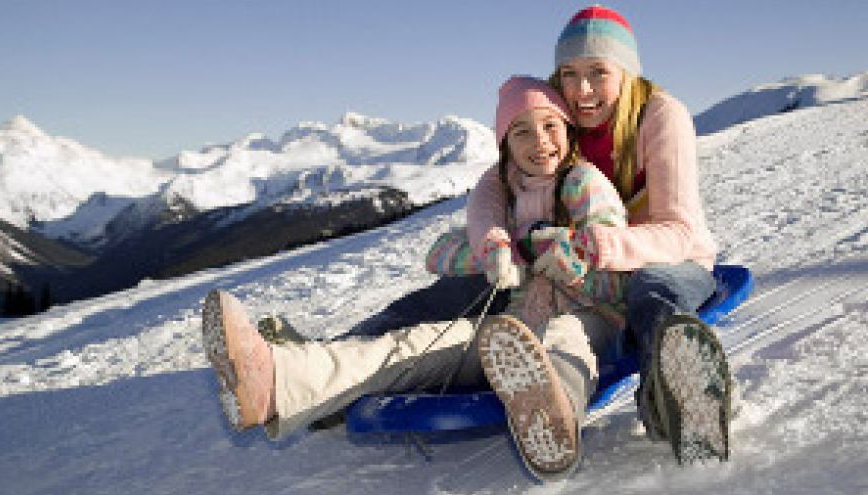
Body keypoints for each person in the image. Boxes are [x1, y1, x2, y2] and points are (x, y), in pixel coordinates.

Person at [201, 75, 629, 481]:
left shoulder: (584, 182)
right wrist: (502, 251)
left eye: (550, 125)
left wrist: (568, 261)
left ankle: (554, 425)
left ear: (569, 130)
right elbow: (438, 254)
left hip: (589, 316)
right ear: (505, 145)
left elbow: (616, 267)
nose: (539, 141)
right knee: (411, 346)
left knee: (563, 339)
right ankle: (277, 381)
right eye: (521, 132)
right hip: (511, 335)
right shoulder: (506, 195)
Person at [466, 5, 732, 464]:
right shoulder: (558, 116)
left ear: (626, 71)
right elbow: (494, 184)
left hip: (666, 262)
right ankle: (326, 355)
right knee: (469, 287)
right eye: (568, 73)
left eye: (597, 72)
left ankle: (681, 406)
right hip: (585, 276)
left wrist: (602, 246)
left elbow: (681, 232)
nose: (581, 90)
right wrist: (493, 240)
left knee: (654, 294)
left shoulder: (660, 116)